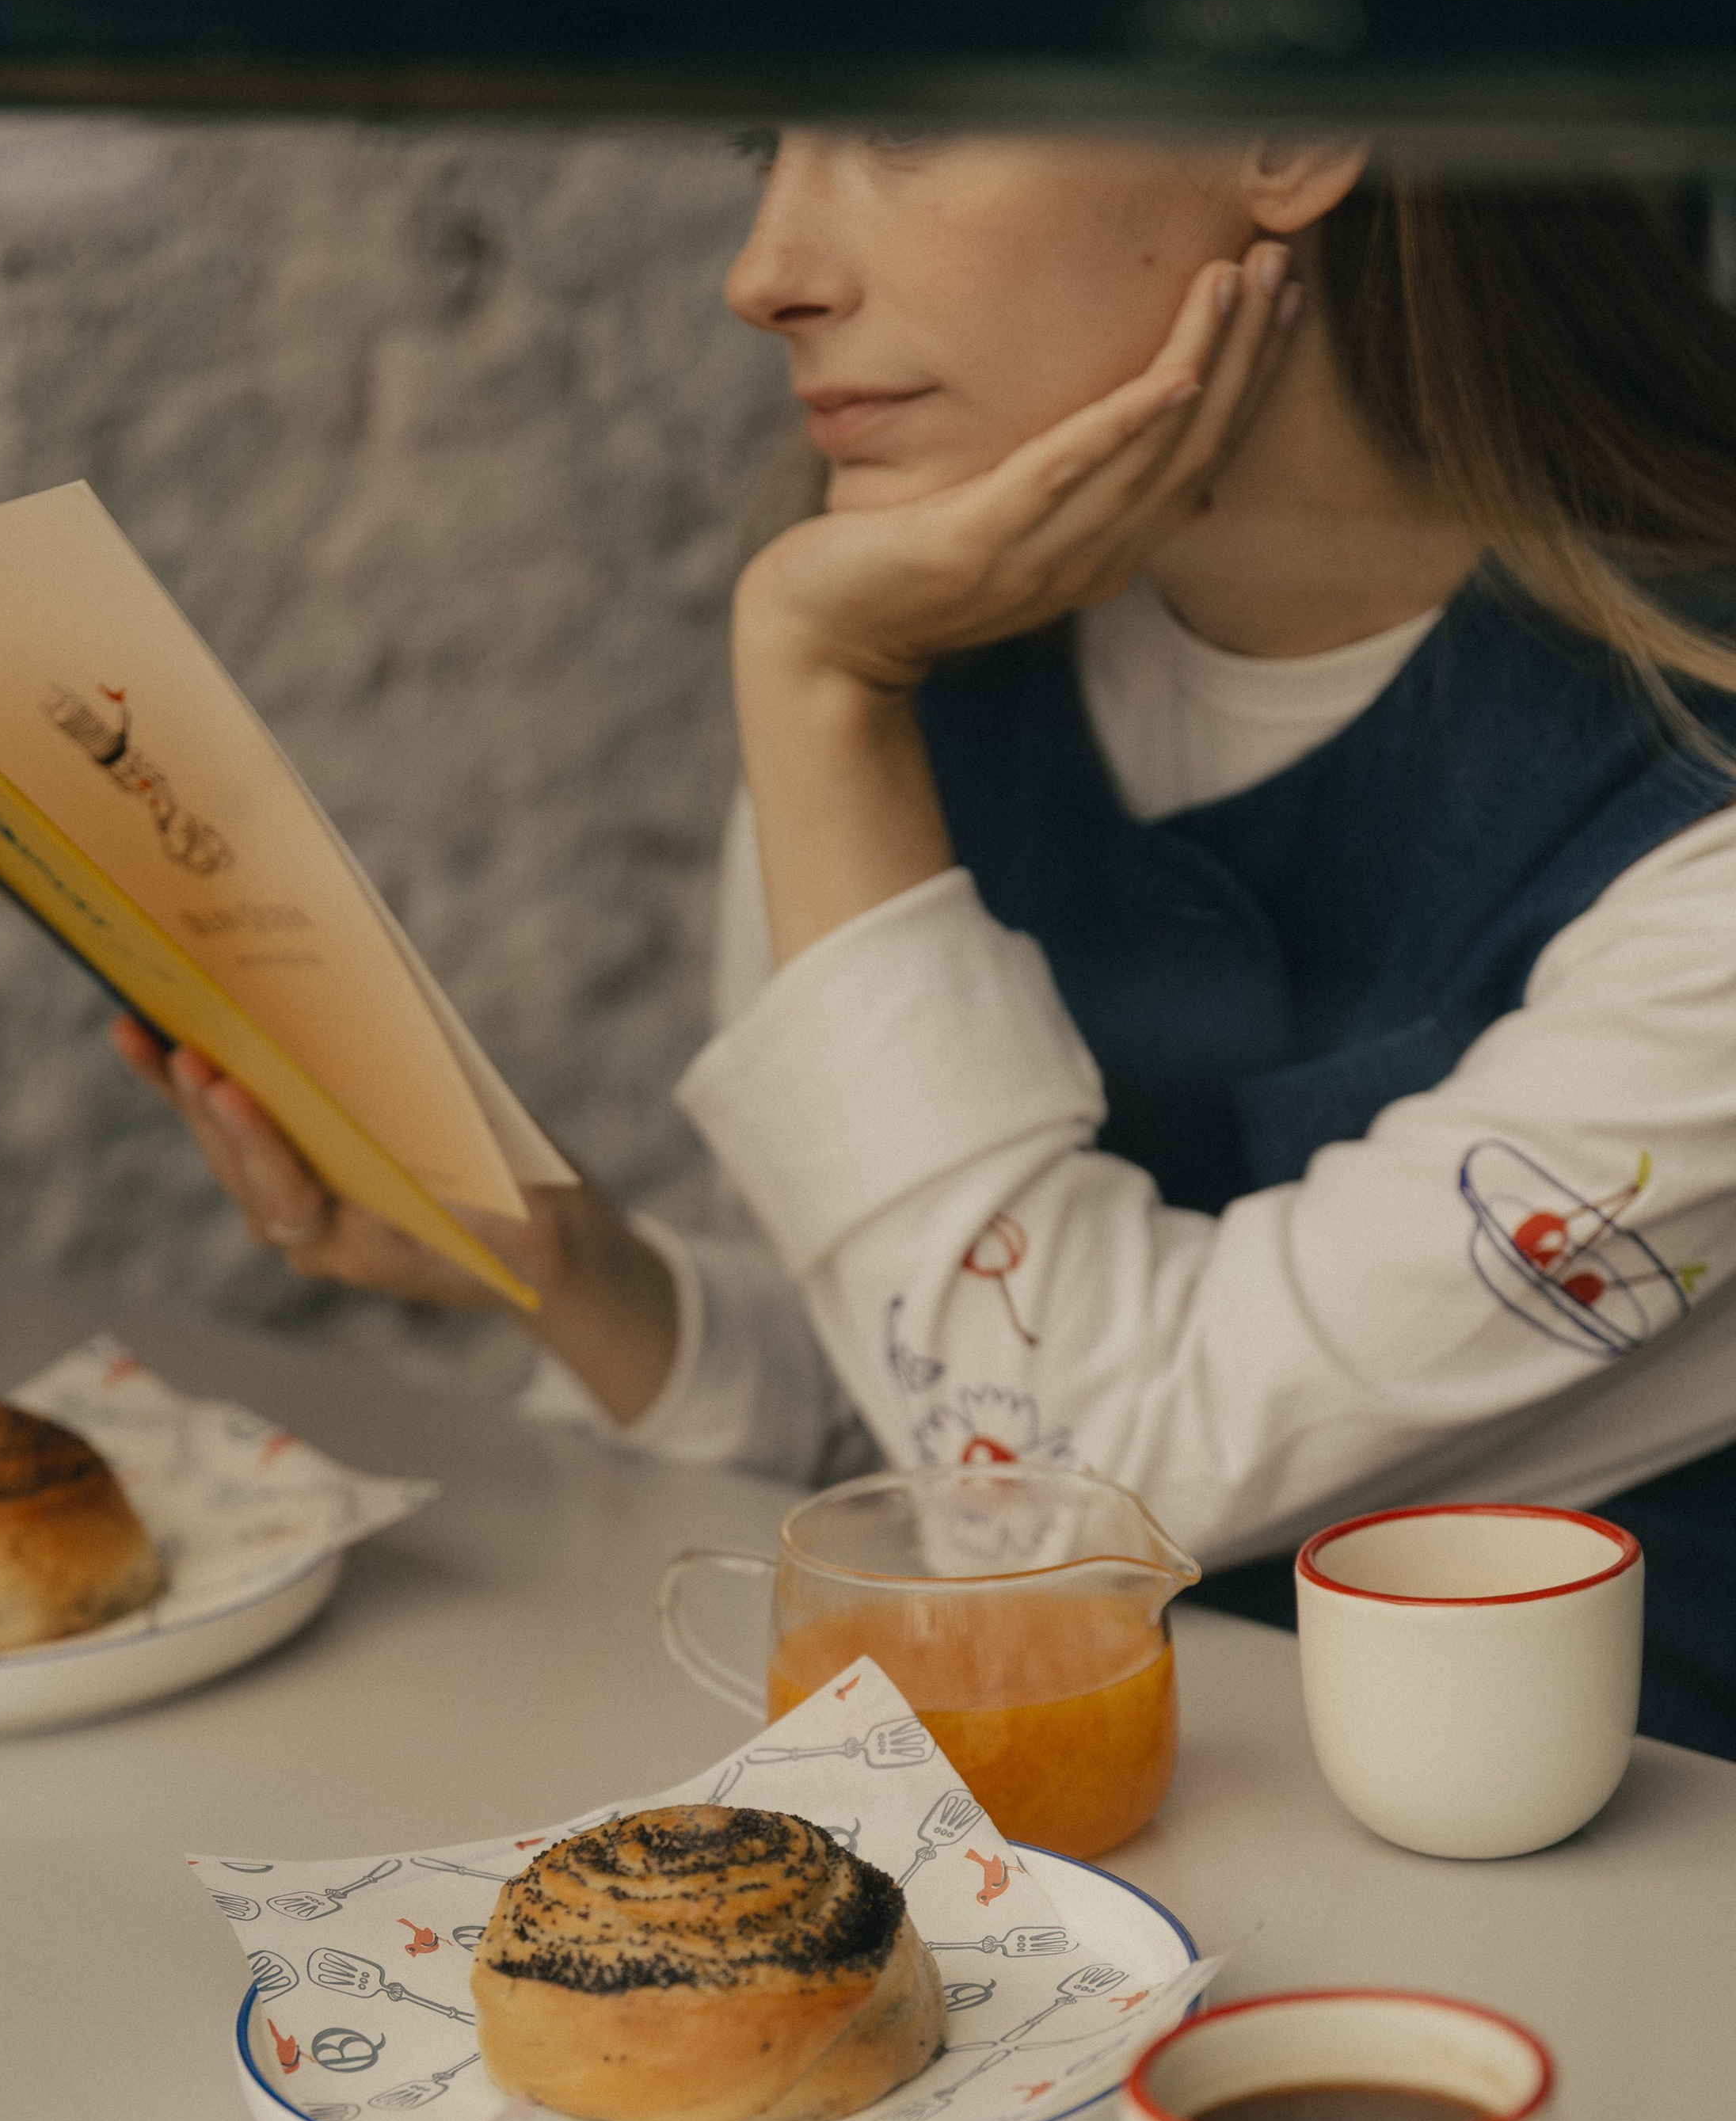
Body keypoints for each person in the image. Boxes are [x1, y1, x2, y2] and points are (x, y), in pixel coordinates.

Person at [116, 135, 1736, 1757]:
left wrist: (815, 693)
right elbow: (931, 1416)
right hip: (1073, 1887)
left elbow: (1059, 1490)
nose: (762, 274)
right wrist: (585, 1280)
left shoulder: (1693, 808)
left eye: (891, 122)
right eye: (759, 146)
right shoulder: (925, 660)